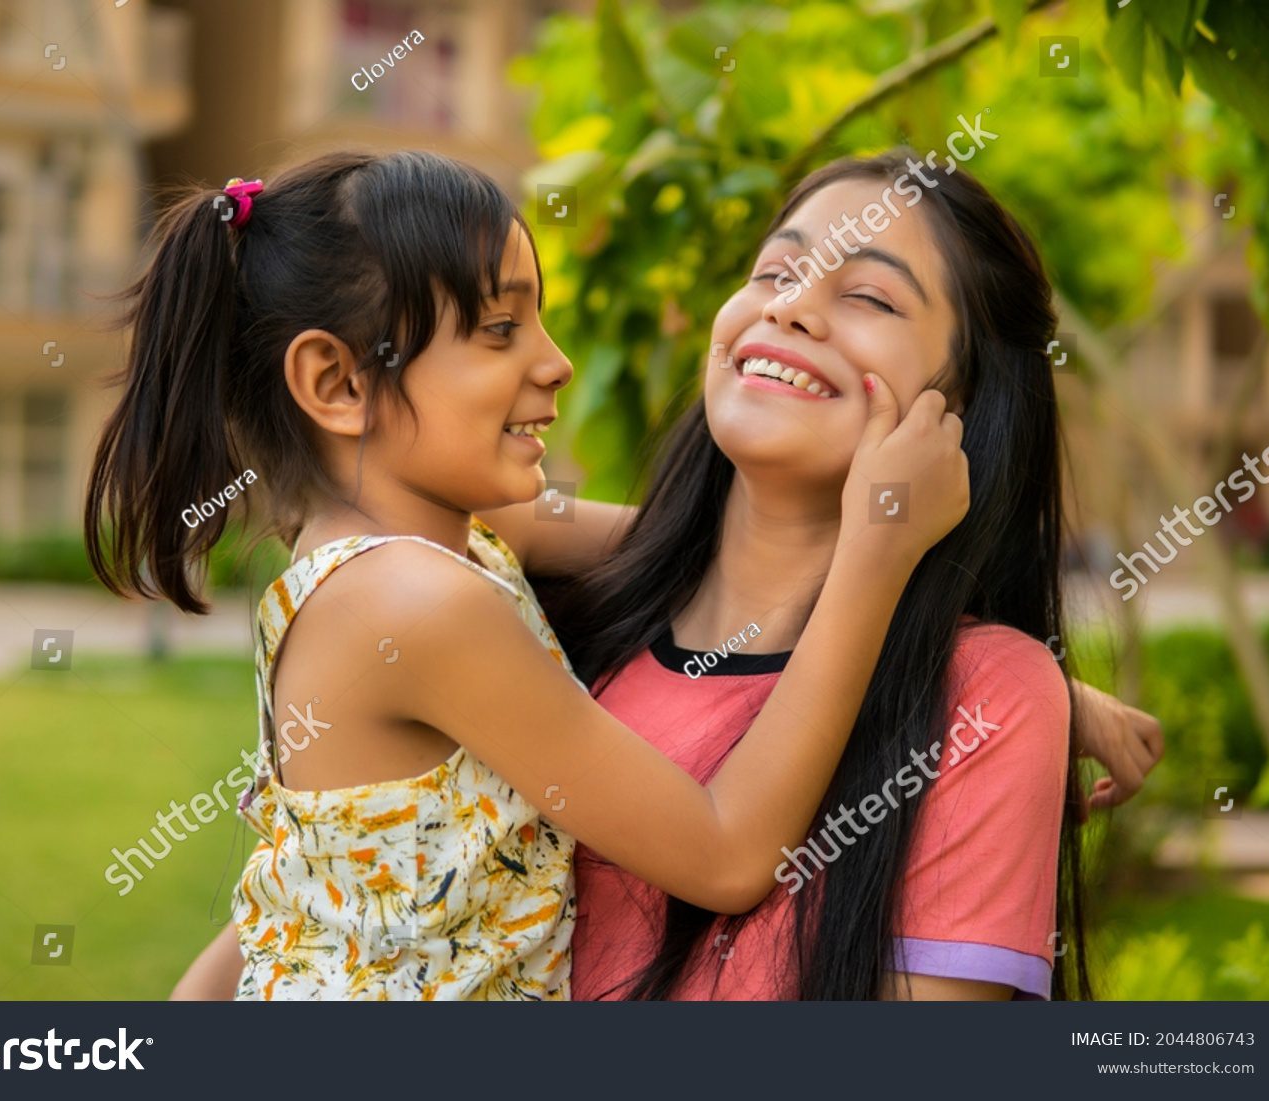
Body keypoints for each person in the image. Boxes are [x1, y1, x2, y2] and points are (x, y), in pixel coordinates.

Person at [86, 150, 968, 1000]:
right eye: (501, 330)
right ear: (338, 384)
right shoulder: (416, 606)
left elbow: (715, 560)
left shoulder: (433, 538)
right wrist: (876, 552)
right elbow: (726, 853)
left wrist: (983, 670)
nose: (556, 362)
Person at [502, 150, 1163, 1000]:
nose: (791, 306)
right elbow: (441, 512)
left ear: (961, 404)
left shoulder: (984, 698)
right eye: (775, 269)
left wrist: (999, 660)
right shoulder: (547, 620)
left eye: (870, 297)